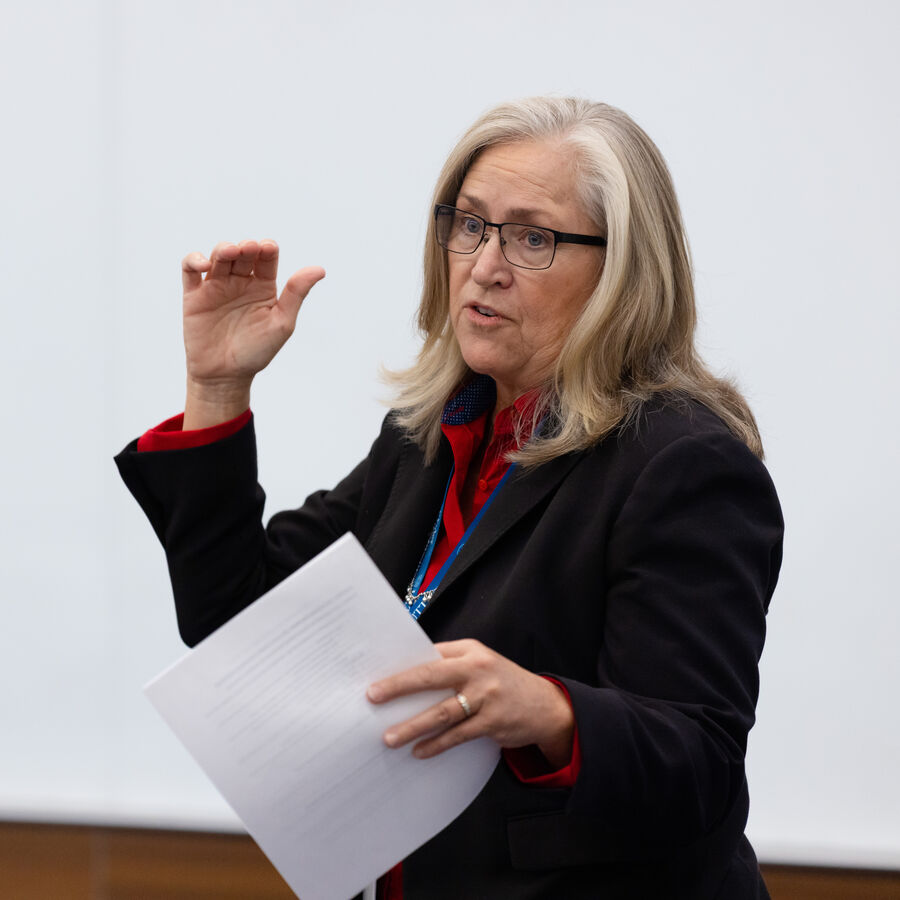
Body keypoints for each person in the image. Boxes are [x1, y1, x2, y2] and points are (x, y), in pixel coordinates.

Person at [116, 97, 783, 899]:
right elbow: (240, 626)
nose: (485, 264)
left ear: (624, 269)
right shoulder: (431, 433)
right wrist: (218, 386)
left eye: (533, 237)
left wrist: (550, 710)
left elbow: (699, 766)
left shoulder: (682, 464)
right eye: (468, 224)